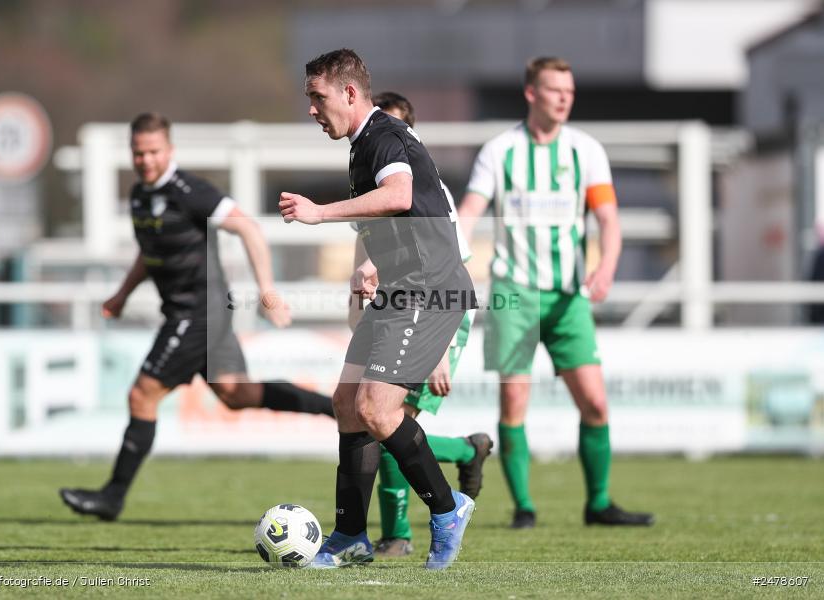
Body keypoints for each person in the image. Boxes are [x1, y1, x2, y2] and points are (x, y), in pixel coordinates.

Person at [60, 112, 334, 521]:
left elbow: (248, 228)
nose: (146, 160)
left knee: (142, 394)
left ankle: (113, 496)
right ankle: (334, 408)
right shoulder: (139, 195)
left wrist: (268, 292)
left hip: (198, 312)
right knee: (235, 393)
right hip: (196, 313)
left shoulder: (191, 191)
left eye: (153, 152)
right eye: (138, 153)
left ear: (169, 150)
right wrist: (121, 295)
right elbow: (149, 254)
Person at [279, 49, 477, 570]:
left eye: (317, 98)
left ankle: (447, 508)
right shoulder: (361, 143)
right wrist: (374, 267)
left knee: (377, 409)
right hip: (401, 289)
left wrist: (320, 213)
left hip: (430, 291)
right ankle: (349, 537)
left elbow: (399, 193)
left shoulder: (383, 136)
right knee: (347, 402)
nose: (312, 110)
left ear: (349, 93)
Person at [457, 57, 654, 529]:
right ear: (531, 93)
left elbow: (608, 219)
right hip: (514, 294)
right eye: (554, 89)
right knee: (514, 404)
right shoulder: (500, 150)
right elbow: (468, 212)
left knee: (595, 403)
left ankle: (598, 503)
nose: (564, 97)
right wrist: (452, 260)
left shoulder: (585, 150)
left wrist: (605, 266)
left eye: (569, 89)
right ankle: (524, 507)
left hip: (569, 297)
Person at [349, 91, 491, 559]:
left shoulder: (429, 193)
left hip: (437, 314)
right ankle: (384, 534)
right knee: (378, 420)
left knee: (388, 421)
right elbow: (368, 263)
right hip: (398, 308)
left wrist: (441, 353)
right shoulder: (369, 180)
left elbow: (454, 273)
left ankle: (407, 529)